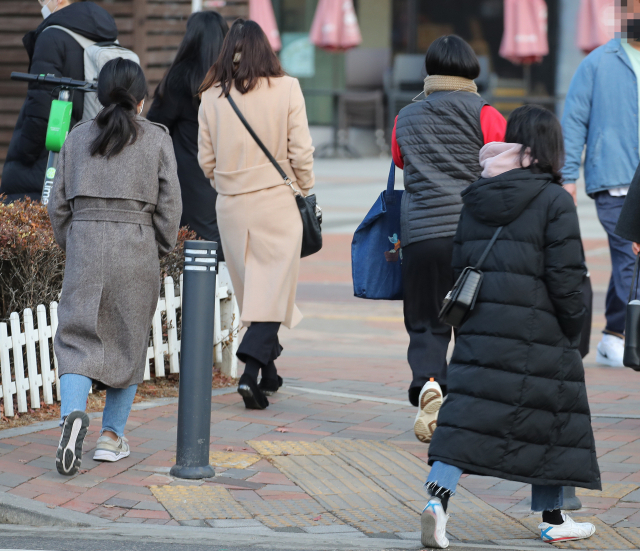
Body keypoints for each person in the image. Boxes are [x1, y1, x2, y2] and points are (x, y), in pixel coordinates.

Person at [420, 106, 600, 549]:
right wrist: (576, 326)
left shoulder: (477, 194)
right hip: (541, 331)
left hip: (483, 327)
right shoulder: (555, 200)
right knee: (553, 418)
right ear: (550, 148)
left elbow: (460, 262)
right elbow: (566, 277)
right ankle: (554, 517)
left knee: (466, 418)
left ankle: (437, 503)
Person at [48, 58, 182, 475]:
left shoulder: (77, 137)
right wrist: (157, 245)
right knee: (128, 340)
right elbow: (170, 208)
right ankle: (110, 438)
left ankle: (72, 414)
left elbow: (58, 205)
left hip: (86, 243)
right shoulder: (156, 139)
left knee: (76, 339)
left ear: (100, 95)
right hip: (135, 246)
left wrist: (74, 239)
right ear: (140, 100)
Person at [390, 35, 506, 441]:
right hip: (473, 237)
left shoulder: (406, 115)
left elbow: (399, 159)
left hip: (421, 235)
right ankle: (463, 401)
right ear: (473, 69)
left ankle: (428, 383)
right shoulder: (487, 113)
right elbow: (504, 168)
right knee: (473, 321)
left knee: (426, 321)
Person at [198, 19, 314, 410]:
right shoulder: (287, 88)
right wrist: (306, 188)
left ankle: (269, 373)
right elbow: (300, 151)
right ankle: (249, 372)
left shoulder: (211, 96)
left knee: (256, 291)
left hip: (231, 206)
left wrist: (230, 185)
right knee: (273, 290)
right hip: (277, 203)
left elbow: (207, 162)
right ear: (265, 48)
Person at [561, 1, 640, 367]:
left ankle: (615, 333)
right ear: (622, 15)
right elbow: (574, 120)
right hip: (614, 178)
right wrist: (566, 178)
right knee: (629, 256)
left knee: (629, 260)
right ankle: (628, 338)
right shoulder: (596, 63)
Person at [1, 0, 118, 202]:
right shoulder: (106, 36)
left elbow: (40, 109)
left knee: (31, 227)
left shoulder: (52, 36)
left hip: (48, 160)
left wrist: (23, 154)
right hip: (92, 153)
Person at [147, 11, 228, 257]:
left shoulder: (181, 78)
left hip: (190, 180)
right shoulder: (236, 79)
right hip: (231, 176)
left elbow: (154, 128)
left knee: (191, 252)